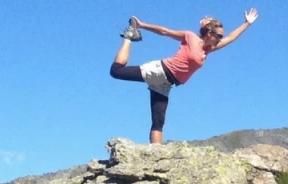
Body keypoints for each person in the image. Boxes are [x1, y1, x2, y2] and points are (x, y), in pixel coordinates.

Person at [109, 9, 259, 144]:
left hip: (166, 84)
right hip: (160, 71)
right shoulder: (190, 36)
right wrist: (142, 25)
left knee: (158, 121)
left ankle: (155, 158)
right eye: (219, 35)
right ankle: (129, 37)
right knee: (116, 71)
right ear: (209, 33)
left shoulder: (208, 49)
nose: (221, 38)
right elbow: (165, 32)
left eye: (221, 36)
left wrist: (247, 23)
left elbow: (231, 38)